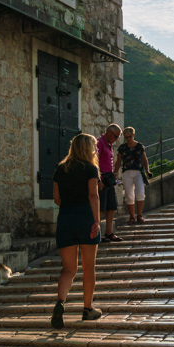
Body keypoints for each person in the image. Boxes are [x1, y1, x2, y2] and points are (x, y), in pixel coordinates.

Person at [51, 133, 104, 328]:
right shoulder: (91, 168)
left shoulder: (60, 168)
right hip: (86, 219)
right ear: (88, 148)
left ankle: (60, 302)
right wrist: (97, 220)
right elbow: (93, 194)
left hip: (65, 220)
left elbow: (57, 199)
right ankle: (87, 309)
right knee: (88, 268)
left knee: (68, 269)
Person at [118, 126, 151, 224]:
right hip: (126, 172)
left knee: (140, 192)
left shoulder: (140, 146)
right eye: (126, 137)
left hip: (138, 172)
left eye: (129, 136)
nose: (128, 139)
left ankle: (140, 215)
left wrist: (147, 170)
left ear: (133, 135)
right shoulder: (122, 147)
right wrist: (115, 173)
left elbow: (144, 159)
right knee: (129, 194)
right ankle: (132, 217)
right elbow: (119, 161)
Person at [97, 123, 122, 242]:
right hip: (102, 178)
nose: (117, 139)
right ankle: (97, 233)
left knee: (111, 206)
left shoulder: (109, 144)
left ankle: (109, 232)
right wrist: (98, 179)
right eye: (116, 136)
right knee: (100, 207)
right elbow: (95, 160)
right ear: (109, 133)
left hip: (109, 179)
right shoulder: (99, 142)